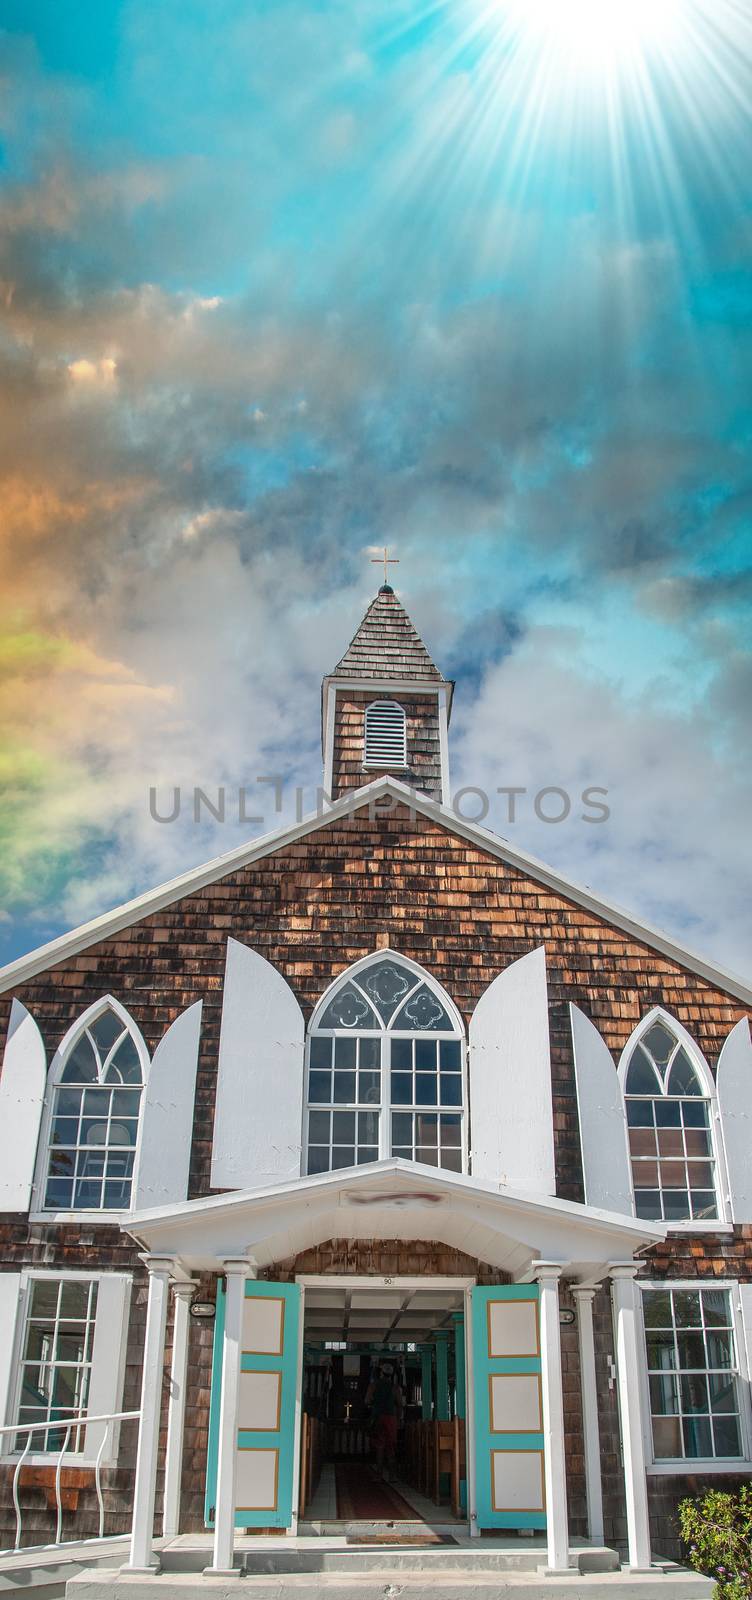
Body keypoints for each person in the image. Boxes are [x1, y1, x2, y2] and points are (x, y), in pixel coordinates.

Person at [366, 1362, 403, 1480]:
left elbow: (367, 1401)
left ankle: (379, 1474)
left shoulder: (374, 1385)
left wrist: (374, 1403)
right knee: (391, 1446)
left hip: (378, 1417)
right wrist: (399, 1419)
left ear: (381, 1372)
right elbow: (400, 1405)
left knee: (380, 1446)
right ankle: (392, 1475)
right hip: (391, 1419)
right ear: (391, 1374)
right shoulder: (395, 1387)